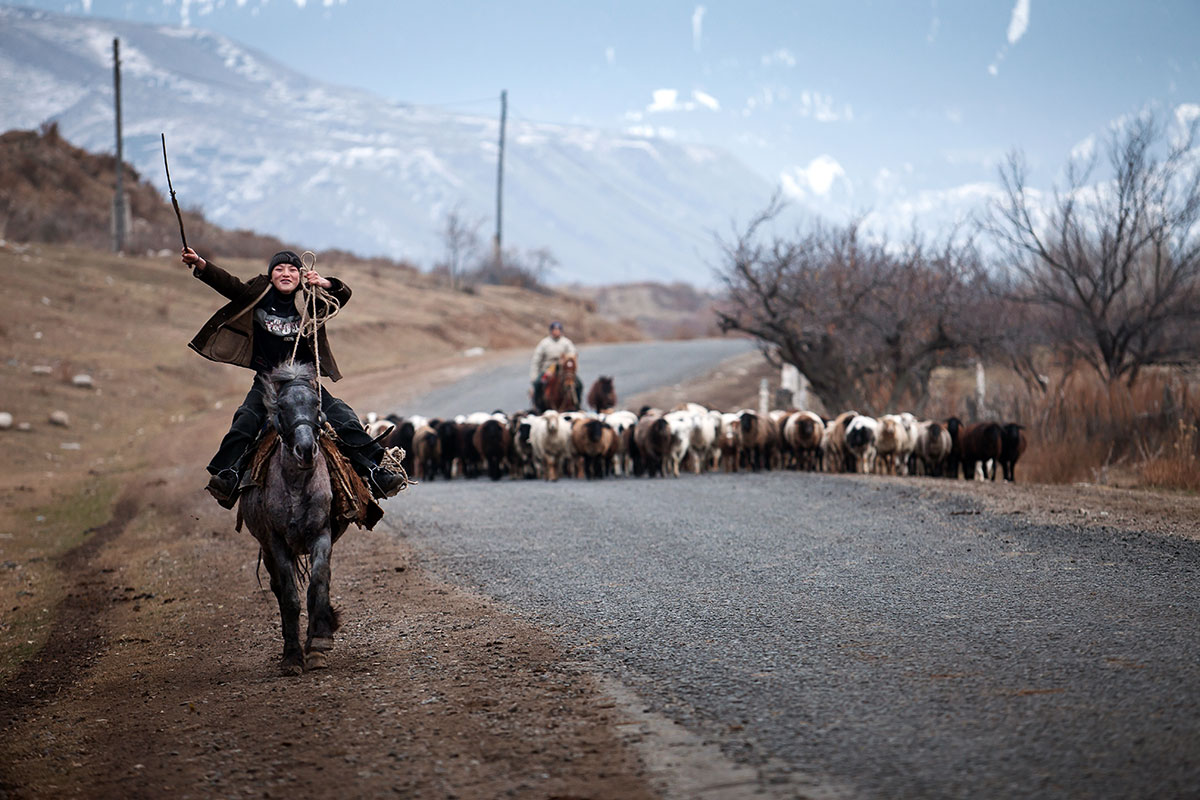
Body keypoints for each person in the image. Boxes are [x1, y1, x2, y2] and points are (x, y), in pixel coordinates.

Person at [180, 246, 406, 508]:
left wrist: (325, 283)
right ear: (271, 274)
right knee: (245, 420)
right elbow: (228, 284)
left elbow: (343, 296)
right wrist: (200, 263)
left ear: (301, 276)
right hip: (269, 383)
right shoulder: (259, 295)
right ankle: (227, 475)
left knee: (344, 420)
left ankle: (376, 472)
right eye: (279, 269)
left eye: (292, 269)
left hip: (307, 383)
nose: (285, 273)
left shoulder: (310, 299)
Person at [529, 320, 579, 410]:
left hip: (563, 369)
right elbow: (536, 360)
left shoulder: (566, 342)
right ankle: (538, 406)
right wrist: (534, 376)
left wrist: (565, 359)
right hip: (547, 369)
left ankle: (577, 405)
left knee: (579, 384)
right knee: (537, 384)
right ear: (551, 331)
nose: (556, 331)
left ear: (561, 331)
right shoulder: (544, 343)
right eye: (554, 329)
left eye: (558, 329)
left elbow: (573, 353)